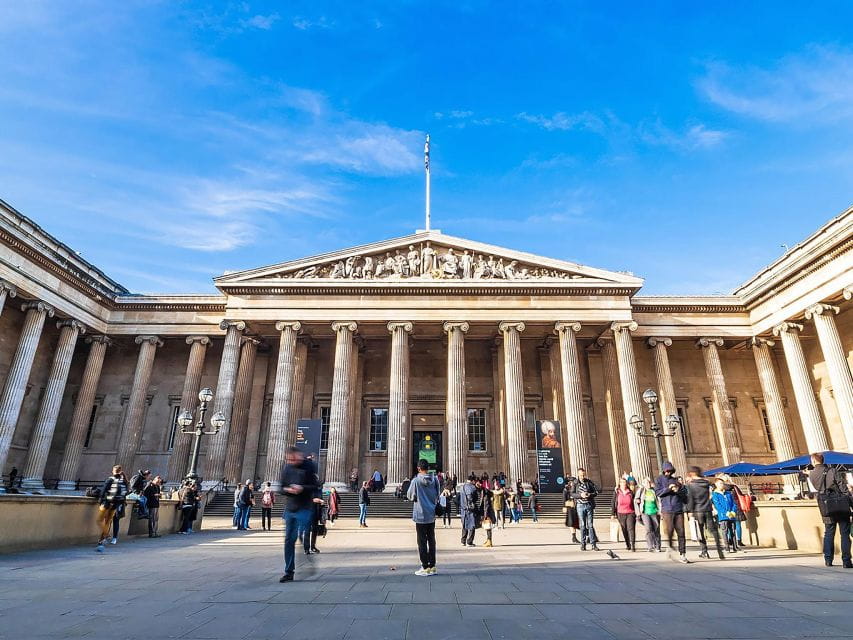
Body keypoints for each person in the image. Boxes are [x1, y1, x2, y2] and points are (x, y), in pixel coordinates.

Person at [279, 446, 319, 583]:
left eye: (293, 459)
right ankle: (289, 571)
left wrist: (302, 488)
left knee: (301, 535)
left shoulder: (309, 466)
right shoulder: (287, 468)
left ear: (298, 455)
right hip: (291, 508)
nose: (291, 462)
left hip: (305, 507)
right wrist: (288, 489)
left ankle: (306, 556)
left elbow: (315, 485)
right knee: (289, 540)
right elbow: (281, 487)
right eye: (289, 460)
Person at [808, 452, 852, 568]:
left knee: (828, 533)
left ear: (813, 461)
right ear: (823, 460)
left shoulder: (812, 474)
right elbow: (843, 488)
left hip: (825, 505)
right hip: (840, 504)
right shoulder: (833, 471)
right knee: (844, 534)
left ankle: (828, 559)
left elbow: (818, 488)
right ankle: (846, 561)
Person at [408, 458, 440, 575]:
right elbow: (438, 495)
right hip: (431, 514)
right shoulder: (435, 479)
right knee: (431, 540)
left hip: (420, 515)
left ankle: (425, 566)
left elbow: (410, 496)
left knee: (422, 542)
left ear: (418, 468)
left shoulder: (416, 481)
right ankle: (433, 566)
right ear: (428, 468)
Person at [686, 467, 724, 560]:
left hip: (698, 510)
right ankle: (720, 551)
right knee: (714, 530)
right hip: (707, 508)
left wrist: (690, 511)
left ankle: (704, 551)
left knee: (700, 531)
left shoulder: (691, 485)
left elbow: (690, 499)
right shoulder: (707, 483)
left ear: (693, 474)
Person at [95, 465, 128, 552]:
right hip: (115, 505)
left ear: (113, 471)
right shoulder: (123, 481)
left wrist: (100, 501)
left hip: (107, 503)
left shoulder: (110, 479)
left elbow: (103, 491)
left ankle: (106, 534)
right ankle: (101, 540)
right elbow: (126, 493)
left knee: (99, 520)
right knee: (108, 522)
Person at [569, 468, 599, 551]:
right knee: (582, 525)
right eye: (581, 475)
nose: (582, 476)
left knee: (590, 525)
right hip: (580, 506)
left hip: (589, 505)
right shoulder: (575, 483)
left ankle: (593, 544)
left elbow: (596, 492)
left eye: (583, 475)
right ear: (578, 474)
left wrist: (589, 494)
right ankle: (583, 544)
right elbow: (571, 494)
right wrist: (580, 495)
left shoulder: (589, 482)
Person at [711, 478, 739, 553]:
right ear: (716, 484)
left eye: (722, 483)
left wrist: (733, 511)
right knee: (725, 531)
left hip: (731, 515)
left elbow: (734, 503)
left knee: (732, 531)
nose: (722, 485)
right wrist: (726, 512)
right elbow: (718, 505)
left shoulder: (728, 493)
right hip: (723, 516)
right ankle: (727, 547)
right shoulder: (715, 494)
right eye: (720, 483)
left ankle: (735, 546)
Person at [635, 477, 661, 552]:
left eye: (649, 482)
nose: (648, 484)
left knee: (656, 529)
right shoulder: (641, 491)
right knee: (648, 529)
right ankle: (650, 546)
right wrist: (638, 512)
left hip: (655, 512)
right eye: (646, 483)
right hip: (645, 512)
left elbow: (659, 501)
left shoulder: (654, 491)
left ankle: (657, 546)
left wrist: (660, 511)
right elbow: (636, 500)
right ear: (643, 484)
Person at [611, 477, 636, 551]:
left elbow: (634, 501)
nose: (623, 484)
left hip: (630, 512)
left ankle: (632, 545)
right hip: (620, 513)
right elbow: (613, 502)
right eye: (622, 482)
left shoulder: (630, 492)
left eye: (624, 482)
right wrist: (612, 514)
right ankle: (627, 544)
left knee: (631, 529)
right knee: (624, 529)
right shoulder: (617, 492)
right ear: (619, 484)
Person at [460, 473, 480, 547]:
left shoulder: (462, 487)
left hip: (463, 509)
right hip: (471, 509)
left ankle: (463, 541)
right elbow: (475, 498)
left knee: (464, 525)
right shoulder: (473, 488)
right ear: (472, 480)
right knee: (472, 525)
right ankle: (469, 542)